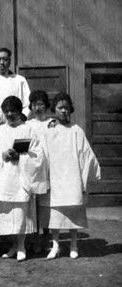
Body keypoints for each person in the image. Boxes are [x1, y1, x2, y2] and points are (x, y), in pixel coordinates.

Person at [38, 92, 100, 260]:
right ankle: (56, 245)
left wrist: (85, 177)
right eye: (60, 108)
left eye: (66, 108)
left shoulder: (76, 130)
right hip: (56, 176)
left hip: (72, 176)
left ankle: (73, 244)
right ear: (54, 110)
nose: (63, 111)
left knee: (73, 211)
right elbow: (42, 152)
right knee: (56, 214)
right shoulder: (49, 130)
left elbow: (85, 153)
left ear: (70, 109)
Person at [0, 96, 47, 262]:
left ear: (20, 112)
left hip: (21, 177)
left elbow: (38, 155)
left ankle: (21, 246)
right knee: (7, 214)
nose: (10, 114)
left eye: (13, 111)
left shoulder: (28, 130)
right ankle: (13, 245)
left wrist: (20, 157)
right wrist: (2, 155)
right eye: (7, 111)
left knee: (20, 214)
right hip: (4, 177)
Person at [26, 90, 53, 253]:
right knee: (34, 205)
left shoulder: (52, 123)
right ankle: (35, 238)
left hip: (49, 167)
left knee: (47, 205)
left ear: (46, 105)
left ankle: (47, 237)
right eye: (34, 104)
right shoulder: (28, 125)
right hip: (34, 168)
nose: (38, 108)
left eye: (41, 104)